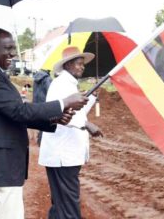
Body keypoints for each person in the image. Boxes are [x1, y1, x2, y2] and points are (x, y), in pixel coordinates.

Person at [0, 28, 88, 219]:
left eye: (13, 48)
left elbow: (14, 113)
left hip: (2, 164)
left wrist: (54, 120)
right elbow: (18, 112)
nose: (13, 54)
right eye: (7, 48)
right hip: (0, 164)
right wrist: (63, 103)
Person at [39, 46, 103, 219]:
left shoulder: (69, 84)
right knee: (68, 204)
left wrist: (91, 98)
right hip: (62, 155)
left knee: (61, 203)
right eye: (79, 64)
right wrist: (87, 124)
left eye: (83, 64)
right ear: (67, 65)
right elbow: (56, 114)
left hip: (65, 155)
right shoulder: (60, 85)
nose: (82, 67)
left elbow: (76, 112)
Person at [32, 68, 52, 146]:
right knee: (46, 124)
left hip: (36, 104)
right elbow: (50, 92)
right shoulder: (47, 79)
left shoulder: (35, 78)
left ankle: (40, 142)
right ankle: (43, 143)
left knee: (40, 124)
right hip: (44, 105)